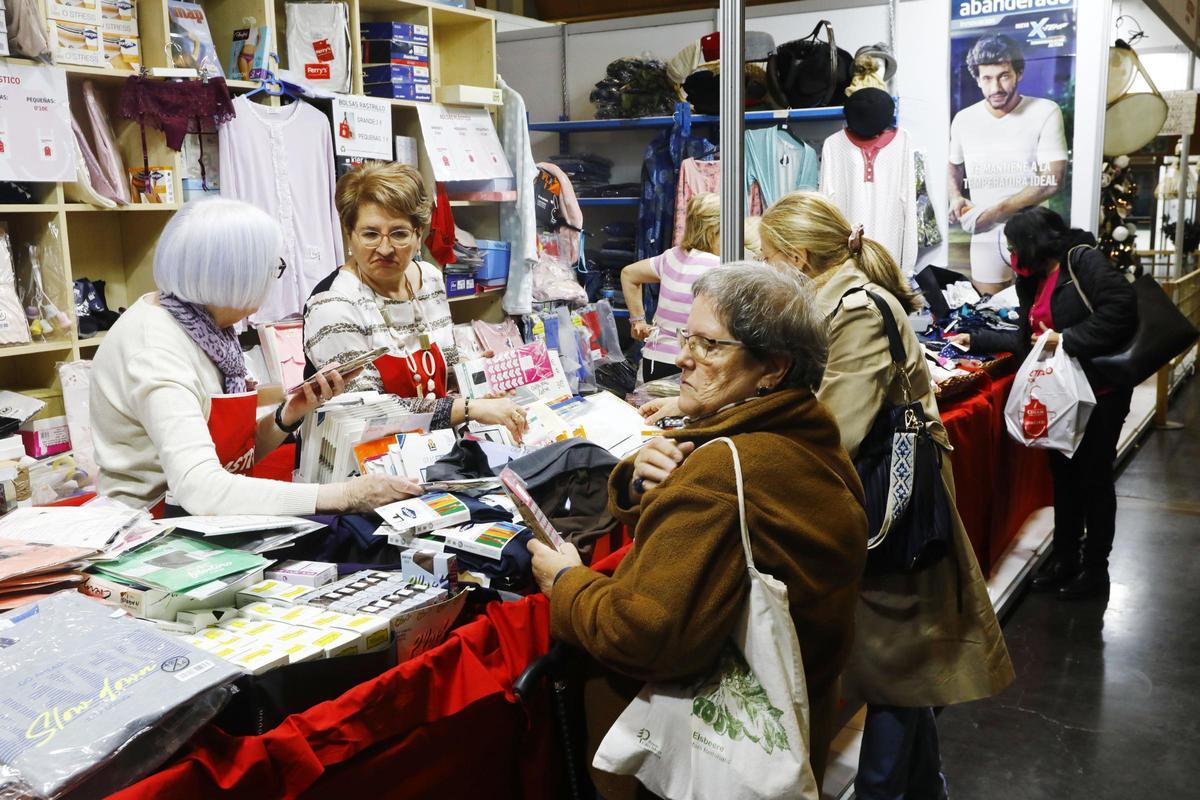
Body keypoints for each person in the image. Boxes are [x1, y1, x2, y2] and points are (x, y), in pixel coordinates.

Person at [528, 263, 867, 798]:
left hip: (690, 764)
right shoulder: (808, 433)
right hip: (789, 731)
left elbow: (644, 635)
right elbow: (717, 549)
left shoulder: (724, 472)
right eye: (687, 337)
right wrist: (645, 485)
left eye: (710, 346)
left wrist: (567, 584)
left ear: (773, 368)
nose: (684, 357)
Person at [759, 191, 1014, 800]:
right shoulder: (834, 304)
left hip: (890, 509)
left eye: (765, 256)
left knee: (894, 663)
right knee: (904, 659)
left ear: (796, 258)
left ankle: (883, 791)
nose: (762, 267)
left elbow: (837, 426)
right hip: (885, 504)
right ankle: (923, 787)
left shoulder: (856, 311)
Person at [90, 198, 422, 516]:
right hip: (152, 527)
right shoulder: (155, 351)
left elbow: (229, 457)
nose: (273, 279)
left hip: (198, 516)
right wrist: (345, 496)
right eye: (272, 268)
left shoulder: (210, 329)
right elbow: (200, 487)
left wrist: (287, 415)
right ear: (236, 275)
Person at [949, 206, 1138, 599]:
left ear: (1033, 242)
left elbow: (1121, 310)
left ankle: (1095, 570)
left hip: (1100, 394)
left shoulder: (1081, 261)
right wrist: (977, 339)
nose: (1011, 255)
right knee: (1064, 479)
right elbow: (1029, 339)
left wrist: (1066, 339)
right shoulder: (1032, 281)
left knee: (1094, 481)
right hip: (1063, 396)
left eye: (1014, 246)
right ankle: (1065, 557)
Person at [304, 161, 528, 440]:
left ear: (418, 234)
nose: (385, 248)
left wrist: (473, 379)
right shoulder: (333, 304)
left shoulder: (429, 280)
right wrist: (470, 408)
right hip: (360, 457)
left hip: (429, 447)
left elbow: (444, 366)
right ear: (350, 234)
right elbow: (372, 414)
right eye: (370, 234)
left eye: (399, 234)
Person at [948, 33, 1068, 293]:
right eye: (987, 78)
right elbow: (954, 164)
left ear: (1019, 73)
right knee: (988, 311)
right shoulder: (964, 119)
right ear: (977, 79)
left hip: (1032, 232)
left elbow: (1053, 180)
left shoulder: (1045, 111)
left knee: (1038, 311)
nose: (996, 88)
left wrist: (994, 212)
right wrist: (955, 196)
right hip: (985, 235)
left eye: (1004, 76)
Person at [621, 192, 720, 383]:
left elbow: (628, 274)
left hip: (654, 359)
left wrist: (637, 321)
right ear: (716, 229)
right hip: (691, 363)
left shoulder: (671, 257)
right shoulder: (719, 266)